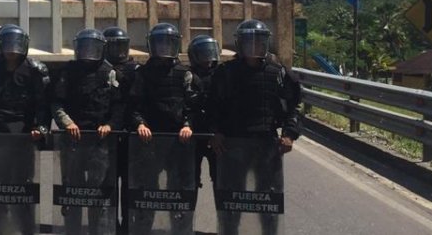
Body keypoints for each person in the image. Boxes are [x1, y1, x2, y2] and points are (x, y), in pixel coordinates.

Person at [206, 19, 302, 235]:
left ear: (265, 43)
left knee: (266, 198)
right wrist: (215, 132)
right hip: (232, 144)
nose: (253, 46)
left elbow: (293, 108)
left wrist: (289, 134)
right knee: (232, 198)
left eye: (257, 41)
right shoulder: (225, 72)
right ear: (239, 44)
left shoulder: (279, 73)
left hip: (266, 144)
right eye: (248, 41)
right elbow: (211, 106)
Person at [0, 24, 49, 235]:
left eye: (16, 44)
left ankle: (26, 230)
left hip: (23, 138)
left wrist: (41, 128)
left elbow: (43, 105)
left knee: (23, 188)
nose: (12, 50)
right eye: (8, 44)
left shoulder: (35, 71)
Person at [127, 23, 197, 235]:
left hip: (178, 141)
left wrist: (188, 125)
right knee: (147, 188)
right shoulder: (142, 74)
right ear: (151, 45)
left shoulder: (185, 74)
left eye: (168, 43)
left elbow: (194, 106)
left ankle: (178, 229)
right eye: (160, 44)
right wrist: (139, 123)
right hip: (149, 141)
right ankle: (144, 228)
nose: (164, 48)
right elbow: (133, 105)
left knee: (177, 187)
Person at [51, 28, 122, 235]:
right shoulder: (67, 72)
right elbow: (56, 103)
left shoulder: (110, 72)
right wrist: (67, 123)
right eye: (85, 47)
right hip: (72, 141)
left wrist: (110, 125)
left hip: (101, 143)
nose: (89, 51)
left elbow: (120, 106)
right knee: (73, 192)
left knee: (98, 193)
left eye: (93, 47)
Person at [103, 26, 139, 235]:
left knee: (129, 184)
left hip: (131, 134)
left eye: (122, 46)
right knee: (107, 183)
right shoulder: (100, 70)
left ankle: (127, 225)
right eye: (114, 47)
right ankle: (108, 225)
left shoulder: (136, 71)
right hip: (106, 133)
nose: (119, 51)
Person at [186, 34, 220, 191]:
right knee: (188, 179)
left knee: (222, 179)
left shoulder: (222, 75)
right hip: (194, 133)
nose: (208, 58)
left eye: (210, 52)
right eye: (203, 54)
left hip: (217, 135)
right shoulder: (187, 76)